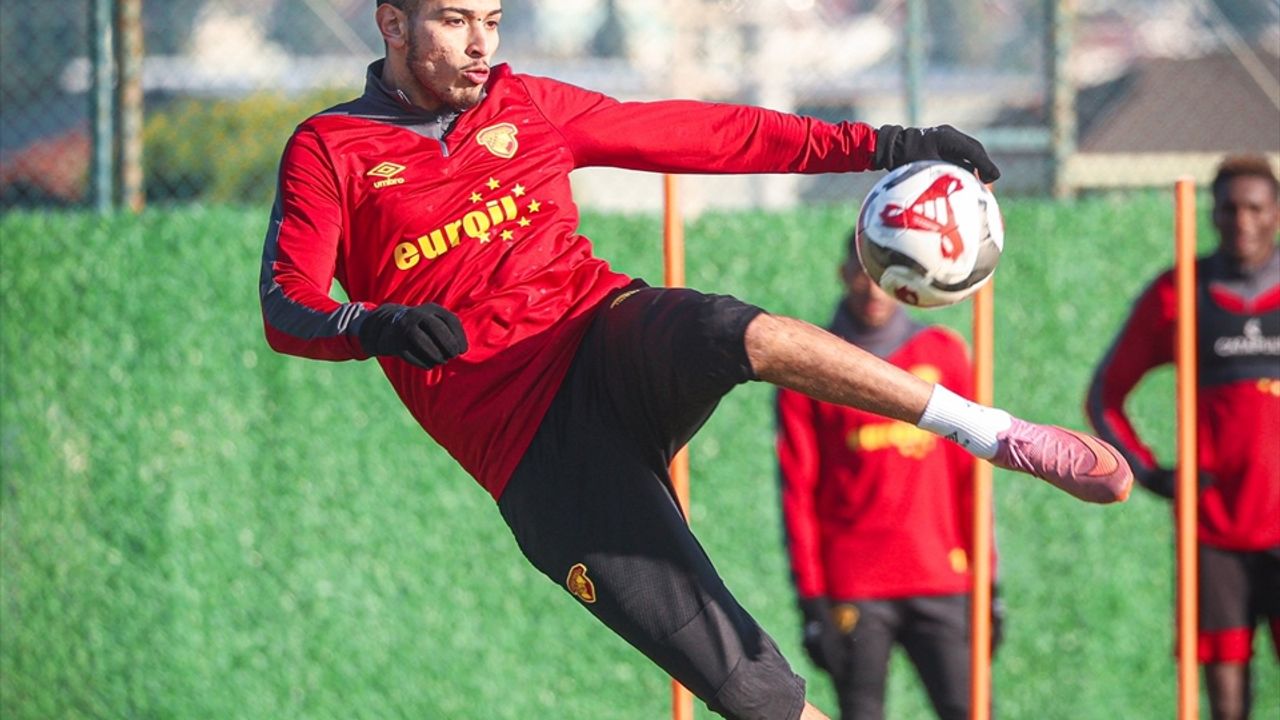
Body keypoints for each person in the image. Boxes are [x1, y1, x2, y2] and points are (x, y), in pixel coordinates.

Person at [259, 2, 1132, 718]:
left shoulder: (526, 105)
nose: (480, 43)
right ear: (393, 24)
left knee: (730, 330)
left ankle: (990, 433)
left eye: (491, 20)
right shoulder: (331, 148)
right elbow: (287, 306)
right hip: (536, 454)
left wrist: (884, 145)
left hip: (602, 335)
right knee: (754, 694)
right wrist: (370, 325)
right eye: (454, 21)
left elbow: (706, 134)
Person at [1086, 155, 1279, 720]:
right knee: (1226, 703)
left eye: (1255, 208)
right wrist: (1151, 474)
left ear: (1275, 213)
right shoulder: (1182, 292)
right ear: (1212, 214)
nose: (1242, 221)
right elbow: (1105, 396)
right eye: (1229, 208)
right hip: (1213, 529)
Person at [777, 240, 1000, 720]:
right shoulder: (809, 364)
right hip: (855, 584)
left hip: (940, 576)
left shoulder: (942, 353)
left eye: (882, 275)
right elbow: (797, 491)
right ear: (843, 274)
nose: (872, 288)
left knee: (971, 709)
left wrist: (989, 582)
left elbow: (970, 479)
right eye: (862, 272)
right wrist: (811, 599)